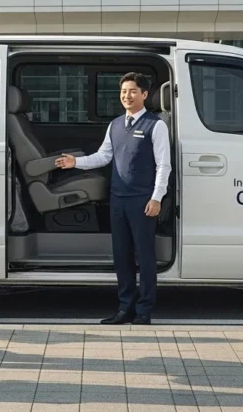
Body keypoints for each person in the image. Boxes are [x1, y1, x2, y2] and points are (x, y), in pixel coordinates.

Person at [55, 72, 171, 325]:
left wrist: (156, 198)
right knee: (122, 256)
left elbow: (164, 166)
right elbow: (103, 156)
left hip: (143, 201)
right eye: (123, 92)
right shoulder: (116, 124)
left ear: (144, 94)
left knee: (145, 256)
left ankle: (143, 311)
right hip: (118, 199)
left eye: (132, 91)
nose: (126, 96)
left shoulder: (155, 125)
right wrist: (76, 162)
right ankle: (124, 308)